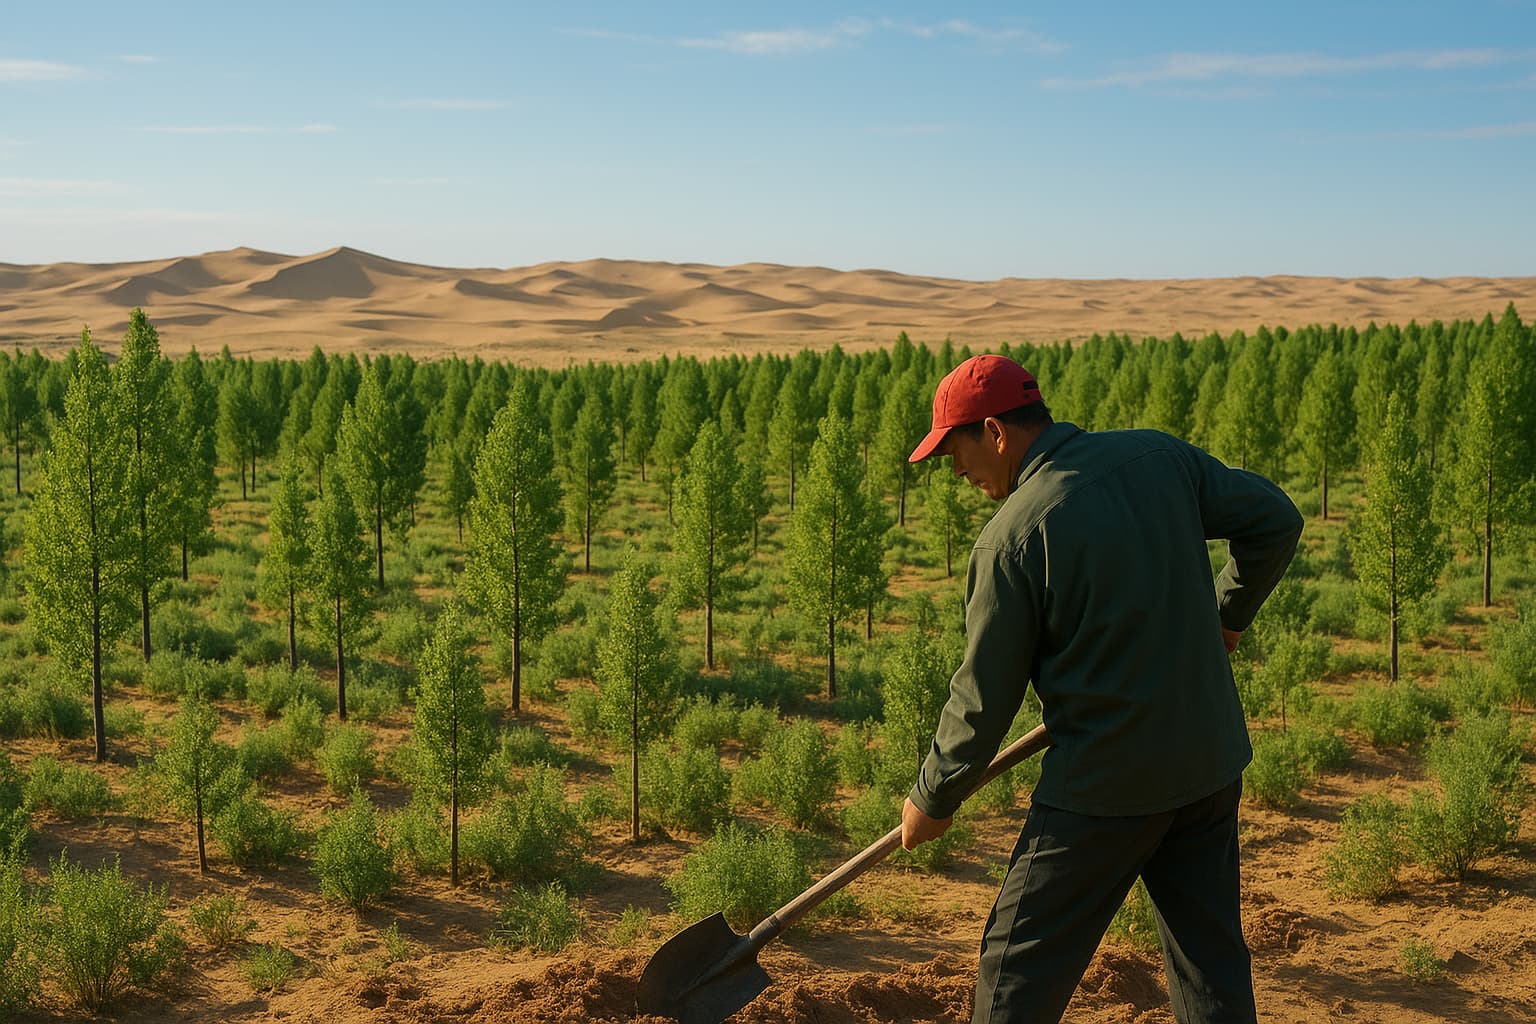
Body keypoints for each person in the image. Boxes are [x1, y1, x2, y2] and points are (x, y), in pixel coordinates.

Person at [900, 354, 1302, 1024]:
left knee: (1014, 967)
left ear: (996, 433)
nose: (958, 472)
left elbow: (981, 697)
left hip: (1104, 792)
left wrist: (933, 797)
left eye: (958, 451)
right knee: (1210, 966)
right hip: (1207, 765)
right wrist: (1227, 616)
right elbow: (1276, 520)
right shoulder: (1158, 457)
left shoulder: (1009, 542)